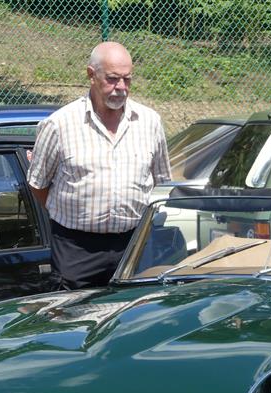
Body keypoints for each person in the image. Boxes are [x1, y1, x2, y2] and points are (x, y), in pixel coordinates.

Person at [28, 41, 171, 289]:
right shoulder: (59, 124)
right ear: (91, 75)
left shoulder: (149, 122)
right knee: (73, 312)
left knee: (133, 311)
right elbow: (38, 184)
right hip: (76, 249)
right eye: (113, 79)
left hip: (134, 245)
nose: (121, 87)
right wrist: (71, 213)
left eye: (127, 79)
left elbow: (162, 183)